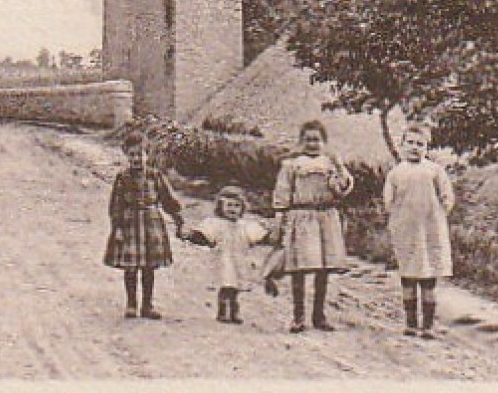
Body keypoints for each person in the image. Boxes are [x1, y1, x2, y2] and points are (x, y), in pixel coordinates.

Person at [272, 120, 354, 333]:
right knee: (299, 266)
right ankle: (298, 316)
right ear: (301, 141)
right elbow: (282, 193)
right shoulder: (292, 165)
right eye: (308, 139)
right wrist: (280, 217)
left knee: (324, 268)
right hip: (301, 216)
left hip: (325, 216)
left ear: (324, 141)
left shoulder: (330, 164)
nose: (312, 144)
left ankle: (319, 315)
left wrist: (339, 168)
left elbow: (341, 190)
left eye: (316, 139)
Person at [381, 123, 455, 339]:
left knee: (429, 276)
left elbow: (447, 197)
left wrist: (439, 216)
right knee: (408, 276)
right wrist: (398, 220)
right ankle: (411, 323)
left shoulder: (434, 170)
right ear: (402, 145)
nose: (414, 148)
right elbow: (389, 201)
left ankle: (428, 325)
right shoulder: (396, 173)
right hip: (406, 230)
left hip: (430, 230)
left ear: (427, 147)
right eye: (410, 143)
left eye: (420, 144)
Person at [104, 132, 185, 319]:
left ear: (147, 155)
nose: (136, 159)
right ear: (126, 155)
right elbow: (116, 206)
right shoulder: (122, 178)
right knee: (130, 266)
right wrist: (117, 229)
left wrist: (179, 220)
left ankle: (147, 305)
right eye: (131, 155)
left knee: (149, 267)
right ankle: (131, 304)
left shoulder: (155, 176)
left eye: (140, 154)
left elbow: (168, 200)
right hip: (129, 224)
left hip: (151, 224)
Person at [180, 184, 271, 324]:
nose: (232, 209)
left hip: (238, 260)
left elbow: (258, 237)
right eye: (228, 205)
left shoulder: (244, 225)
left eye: (236, 206)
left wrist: (269, 233)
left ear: (242, 208)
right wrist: (191, 235)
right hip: (223, 260)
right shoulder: (216, 224)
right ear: (220, 207)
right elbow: (204, 236)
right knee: (225, 285)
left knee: (235, 287)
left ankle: (234, 311)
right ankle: (222, 311)